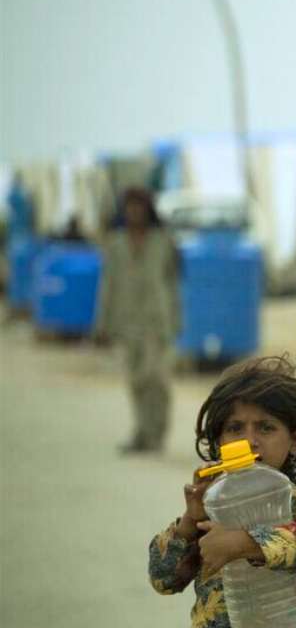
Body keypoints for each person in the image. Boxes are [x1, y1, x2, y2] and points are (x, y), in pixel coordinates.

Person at [148, 355, 296, 628]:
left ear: (294, 441)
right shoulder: (212, 502)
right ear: (219, 441)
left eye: (266, 427)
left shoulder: (288, 500)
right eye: (235, 428)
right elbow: (163, 578)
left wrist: (245, 543)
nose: (249, 440)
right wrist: (189, 521)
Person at [94, 187, 181, 454]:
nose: (134, 212)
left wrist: (177, 320)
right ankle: (142, 433)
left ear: (148, 209)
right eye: (129, 206)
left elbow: (172, 283)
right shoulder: (116, 244)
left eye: (139, 206)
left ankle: (157, 432)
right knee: (136, 381)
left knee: (156, 378)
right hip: (126, 321)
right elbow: (107, 284)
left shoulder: (163, 241)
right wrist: (102, 324)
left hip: (158, 322)